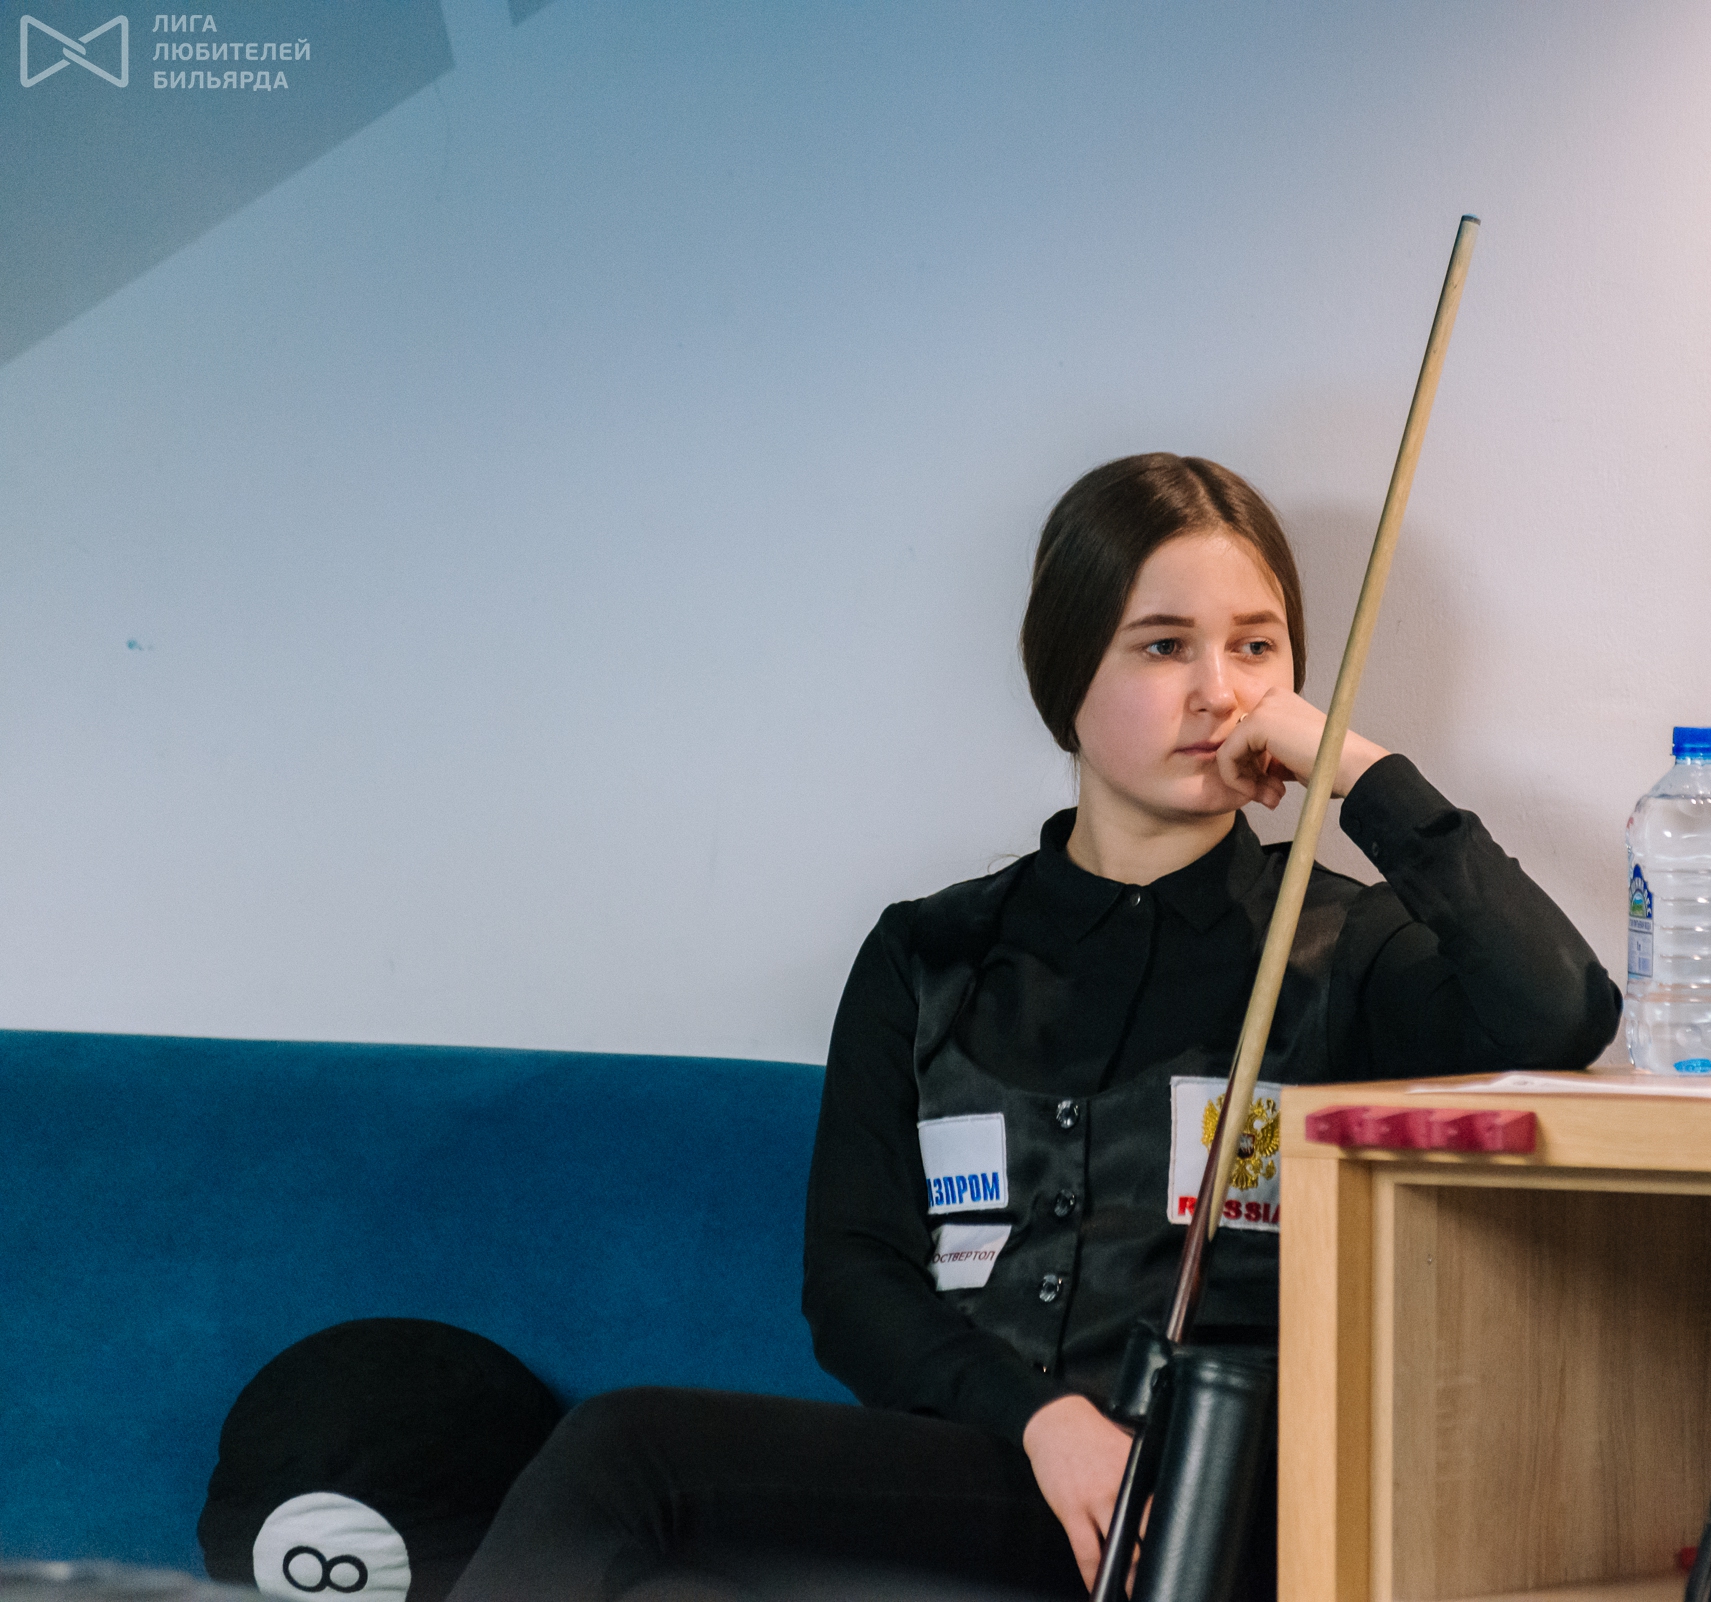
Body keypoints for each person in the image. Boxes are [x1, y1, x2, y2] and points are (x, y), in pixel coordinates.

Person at [451, 454, 1618, 1602]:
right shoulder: (930, 953)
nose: (1220, 693)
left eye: (1256, 648)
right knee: (643, 1514)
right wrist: (1040, 1420)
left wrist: (1353, 768)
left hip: (1217, 1501)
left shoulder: (1338, 943)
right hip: (985, 1467)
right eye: (1163, 646)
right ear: (1066, 672)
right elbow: (852, 1281)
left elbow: (1561, 1008)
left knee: (630, 1462)